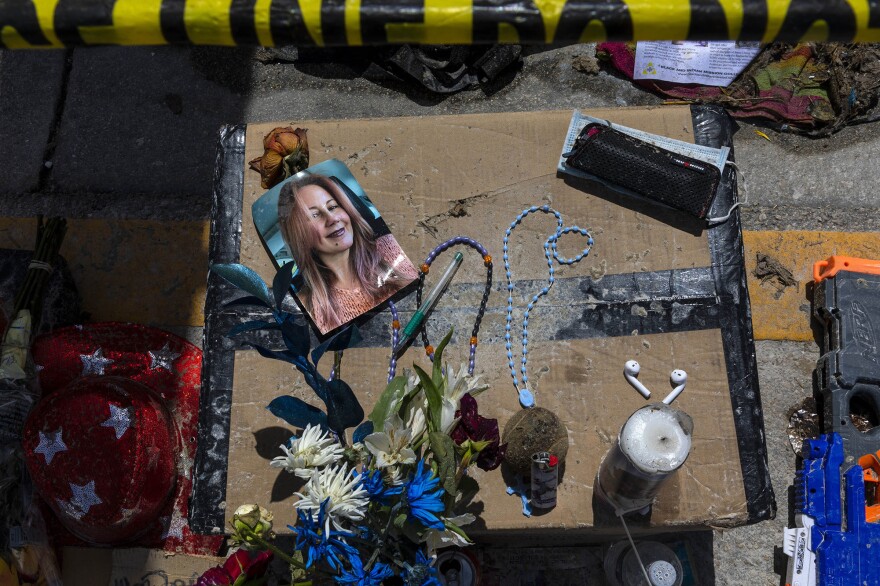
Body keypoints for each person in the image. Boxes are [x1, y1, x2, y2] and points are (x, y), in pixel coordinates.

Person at [278, 173, 418, 333]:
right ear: (299, 237)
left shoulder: (391, 247)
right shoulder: (308, 306)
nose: (332, 218)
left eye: (332, 207)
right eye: (314, 215)